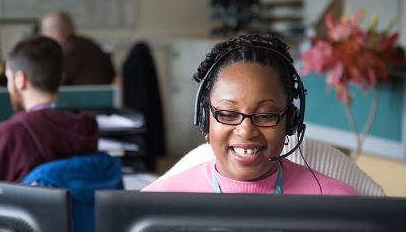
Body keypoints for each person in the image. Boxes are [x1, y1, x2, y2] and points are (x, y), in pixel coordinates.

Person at [143, 34, 358, 195]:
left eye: (265, 115)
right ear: (204, 120)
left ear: (290, 122)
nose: (246, 131)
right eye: (227, 114)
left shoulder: (339, 203)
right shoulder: (157, 201)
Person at [0, 36, 99, 182]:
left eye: (8, 79)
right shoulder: (87, 127)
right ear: (61, 77)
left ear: (20, 80)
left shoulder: (10, 134)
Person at [41, 11, 115, 86]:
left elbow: (53, 84)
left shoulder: (72, 50)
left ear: (57, 34)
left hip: (90, 97)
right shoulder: (85, 44)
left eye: (45, 33)